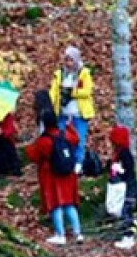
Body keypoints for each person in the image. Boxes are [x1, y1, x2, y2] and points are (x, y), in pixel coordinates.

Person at [25, 111, 82, 246]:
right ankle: (78, 233)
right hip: (69, 174)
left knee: (55, 204)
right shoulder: (65, 135)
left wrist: (29, 144)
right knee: (69, 204)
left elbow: (33, 155)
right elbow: (76, 139)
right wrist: (69, 125)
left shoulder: (44, 141)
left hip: (52, 176)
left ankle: (60, 234)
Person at [49, 46, 95, 174]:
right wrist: (50, 105)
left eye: (71, 60)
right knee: (62, 139)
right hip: (63, 113)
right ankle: (65, 161)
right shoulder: (59, 74)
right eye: (66, 60)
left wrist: (72, 93)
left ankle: (78, 163)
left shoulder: (84, 73)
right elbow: (53, 91)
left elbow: (87, 91)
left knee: (79, 139)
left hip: (78, 113)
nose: (68, 63)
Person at [109, 125, 137, 250]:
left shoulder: (125, 154)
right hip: (122, 187)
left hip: (128, 187)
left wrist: (119, 170)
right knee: (123, 211)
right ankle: (126, 235)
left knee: (126, 212)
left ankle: (128, 237)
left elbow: (128, 171)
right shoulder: (118, 153)